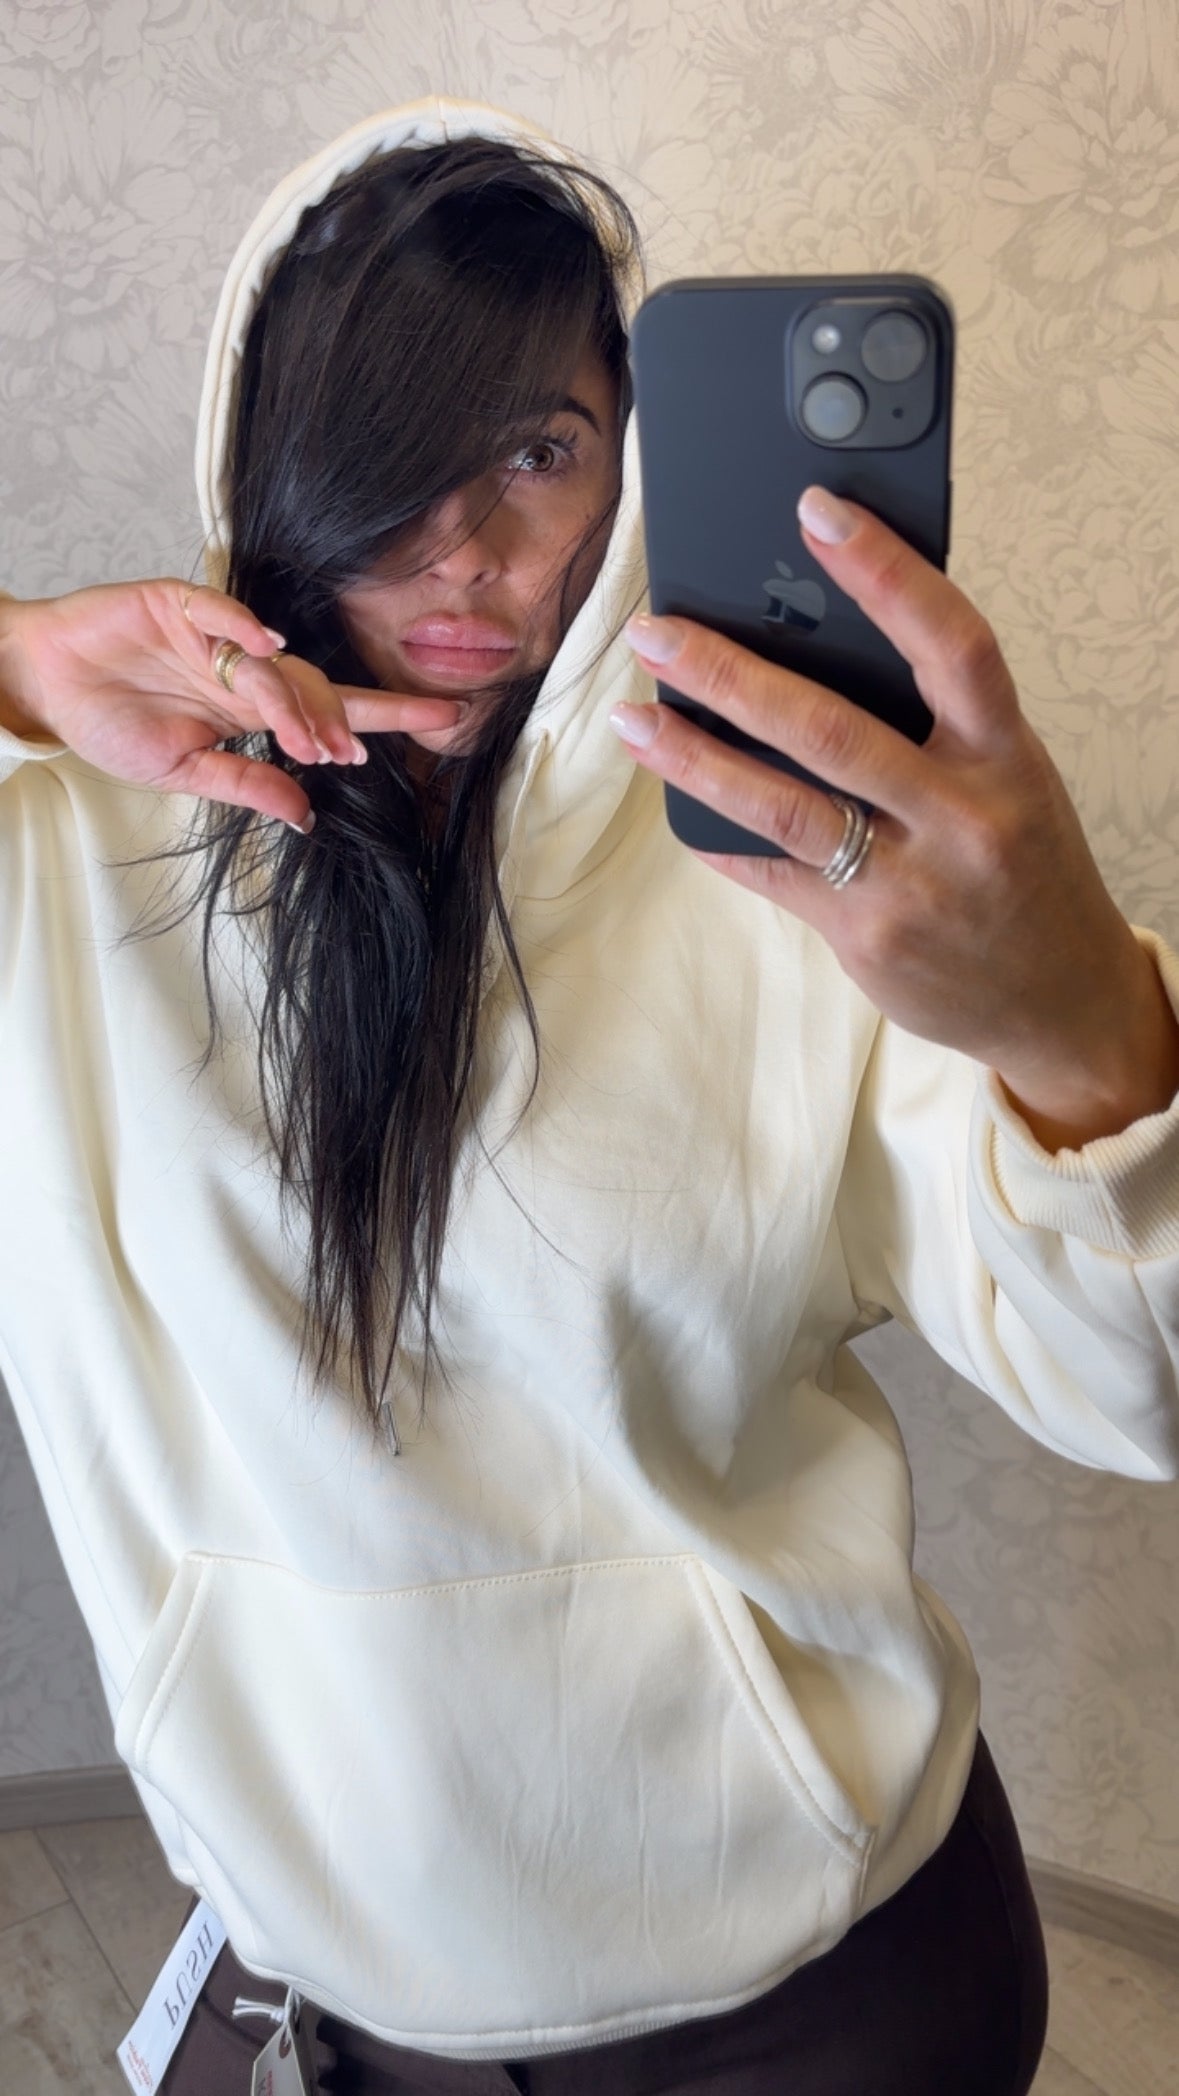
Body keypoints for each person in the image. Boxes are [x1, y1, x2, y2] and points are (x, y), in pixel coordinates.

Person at [1, 96, 1177, 2096]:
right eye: (387, 443)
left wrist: (1081, 1032)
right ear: (265, 450)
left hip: (826, 1991)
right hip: (334, 2000)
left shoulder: (807, 859)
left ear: (630, 459)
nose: (462, 548)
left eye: (538, 450)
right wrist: (18, 668)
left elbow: (1135, 1383)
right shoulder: (61, 849)